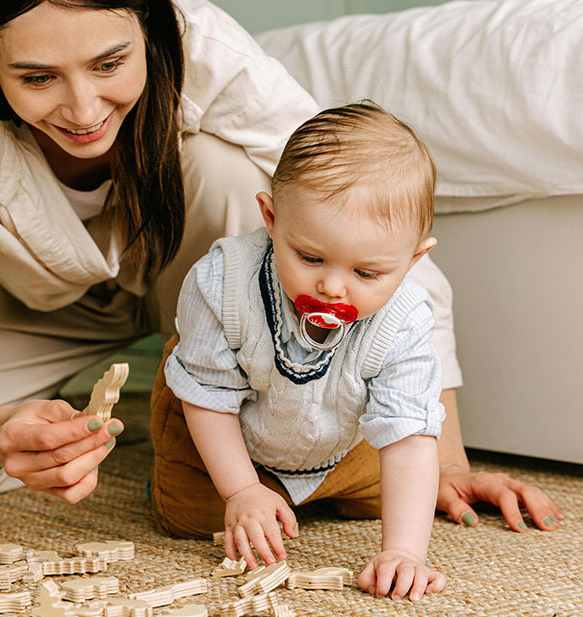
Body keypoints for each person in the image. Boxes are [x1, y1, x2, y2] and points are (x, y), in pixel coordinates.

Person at [0, 0, 562, 536]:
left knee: (226, 170)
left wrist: (449, 462)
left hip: (205, 280)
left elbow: (372, 227)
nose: (84, 109)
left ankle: (246, 449)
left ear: (149, 33)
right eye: (36, 78)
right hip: (40, 305)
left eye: (109, 64)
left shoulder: (206, 47)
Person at [152, 103, 450, 600]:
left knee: (398, 491)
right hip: (221, 423)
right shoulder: (220, 282)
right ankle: (240, 487)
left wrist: (405, 552)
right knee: (187, 517)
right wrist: (243, 491)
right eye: (310, 257)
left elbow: (409, 433)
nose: (333, 287)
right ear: (270, 217)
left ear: (414, 258)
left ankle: (309, 493)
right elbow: (208, 395)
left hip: (338, 440)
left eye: (367, 274)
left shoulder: (409, 317)